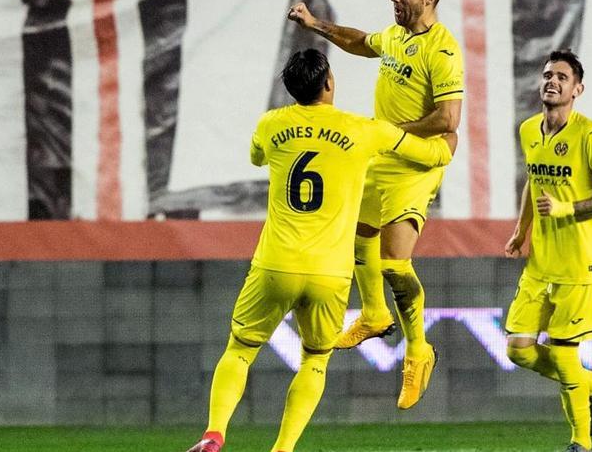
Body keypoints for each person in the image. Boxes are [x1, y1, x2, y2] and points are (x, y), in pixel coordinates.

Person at [185, 49, 456, 452]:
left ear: (291, 89)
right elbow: (435, 153)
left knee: (240, 350)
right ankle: (282, 448)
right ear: (329, 83)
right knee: (314, 359)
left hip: (275, 264)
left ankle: (214, 434)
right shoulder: (364, 130)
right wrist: (448, 135)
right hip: (330, 272)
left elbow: (256, 155)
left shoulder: (271, 124)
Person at [286, 0, 463, 410]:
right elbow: (362, 43)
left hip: (414, 165)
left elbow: (448, 119)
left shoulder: (442, 51)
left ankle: (419, 350)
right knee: (358, 235)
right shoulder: (396, 36)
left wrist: (394, 133)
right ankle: (374, 313)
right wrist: (315, 24)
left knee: (395, 265)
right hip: (384, 154)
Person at [503, 50, 592, 452]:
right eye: (547, 75)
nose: (551, 81)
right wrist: (522, 229)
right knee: (518, 350)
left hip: (579, 265)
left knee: (563, 355)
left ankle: (581, 443)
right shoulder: (528, 131)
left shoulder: (589, 135)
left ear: (578, 89)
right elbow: (532, 180)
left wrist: (567, 208)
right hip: (540, 263)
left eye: (561, 76)